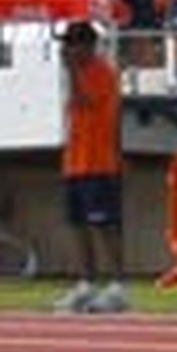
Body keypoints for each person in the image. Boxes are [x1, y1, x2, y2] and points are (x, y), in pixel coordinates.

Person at [53, 20, 129, 314]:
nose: (67, 50)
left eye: (72, 44)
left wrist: (71, 71)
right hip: (76, 162)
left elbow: (84, 101)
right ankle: (86, 282)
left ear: (87, 46)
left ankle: (118, 284)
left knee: (105, 225)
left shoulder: (102, 73)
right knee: (78, 225)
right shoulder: (80, 73)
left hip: (99, 162)